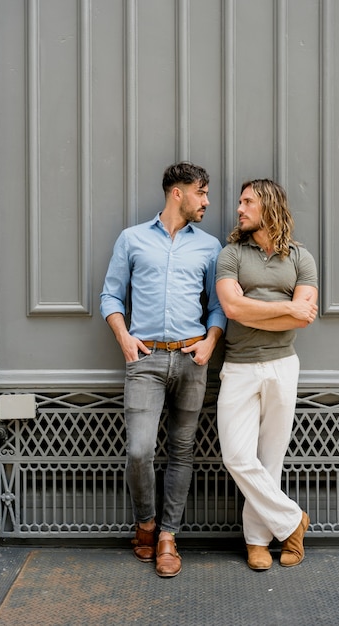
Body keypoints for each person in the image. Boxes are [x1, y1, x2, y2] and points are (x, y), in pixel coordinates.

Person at [100, 162, 226, 578]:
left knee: (182, 451)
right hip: (145, 360)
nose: (207, 201)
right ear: (178, 193)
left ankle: (168, 536)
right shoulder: (132, 239)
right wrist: (124, 337)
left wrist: (209, 342)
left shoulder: (209, 247)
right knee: (139, 451)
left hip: (192, 361)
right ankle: (146, 523)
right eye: (202, 193)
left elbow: (216, 306)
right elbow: (111, 295)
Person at [215, 178, 318, 571]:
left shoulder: (300, 258)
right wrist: (285, 309)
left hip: (282, 365)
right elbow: (233, 309)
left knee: (270, 457)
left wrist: (263, 306)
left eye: (247, 202)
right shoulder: (230, 255)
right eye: (240, 202)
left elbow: (304, 316)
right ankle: (294, 521)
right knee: (237, 456)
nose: (239, 209)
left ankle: (257, 542)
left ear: (269, 205)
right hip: (239, 366)